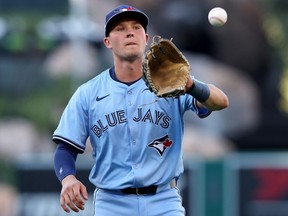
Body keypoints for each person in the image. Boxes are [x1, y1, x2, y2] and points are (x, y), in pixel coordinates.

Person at [52, 4, 229, 216]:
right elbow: (65, 148)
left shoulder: (171, 81)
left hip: (164, 201)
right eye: (120, 28)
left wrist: (191, 85)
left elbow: (220, 102)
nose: (129, 32)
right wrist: (68, 178)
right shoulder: (88, 93)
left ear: (145, 38)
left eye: (136, 27)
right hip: (112, 203)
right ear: (107, 41)